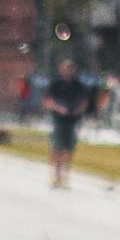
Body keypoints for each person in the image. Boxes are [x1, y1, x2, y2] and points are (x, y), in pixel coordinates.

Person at [43, 57, 90, 189]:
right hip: (58, 119)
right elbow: (48, 100)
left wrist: (77, 110)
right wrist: (59, 108)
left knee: (68, 149)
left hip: (72, 120)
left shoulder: (78, 85)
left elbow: (84, 101)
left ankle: (65, 176)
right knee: (56, 148)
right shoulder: (56, 84)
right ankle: (55, 175)